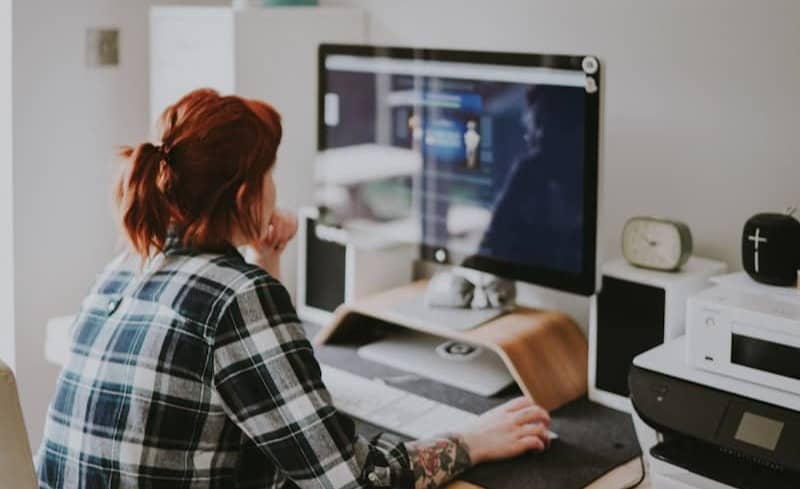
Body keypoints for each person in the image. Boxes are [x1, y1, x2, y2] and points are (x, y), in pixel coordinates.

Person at [36, 89, 551, 489]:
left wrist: (267, 260)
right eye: (271, 175)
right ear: (246, 195)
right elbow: (349, 479)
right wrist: (473, 441)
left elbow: (252, 380)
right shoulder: (236, 296)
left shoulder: (126, 264)